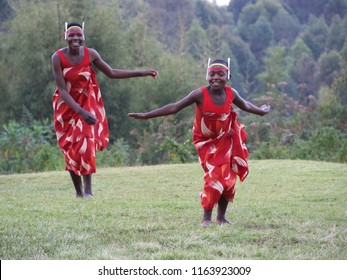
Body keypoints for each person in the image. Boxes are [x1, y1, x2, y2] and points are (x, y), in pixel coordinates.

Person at [128, 59, 270, 226]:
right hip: (206, 142)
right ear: (207, 76)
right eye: (212, 74)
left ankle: (221, 217)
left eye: (220, 74)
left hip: (227, 139)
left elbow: (245, 105)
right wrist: (146, 115)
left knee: (228, 178)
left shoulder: (232, 93)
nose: (215, 77)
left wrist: (261, 111)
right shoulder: (199, 94)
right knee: (215, 175)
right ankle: (206, 217)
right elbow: (174, 107)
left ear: (228, 76)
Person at [52, 22, 158, 198]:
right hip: (66, 106)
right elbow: (62, 90)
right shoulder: (57, 57)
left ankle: (88, 191)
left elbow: (112, 72)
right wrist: (80, 112)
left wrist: (142, 72)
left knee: (86, 142)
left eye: (79, 35)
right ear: (65, 36)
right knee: (70, 148)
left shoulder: (91, 54)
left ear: (83, 36)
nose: (75, 38)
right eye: (71, 35)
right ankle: (78, 192)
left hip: (87, 102)